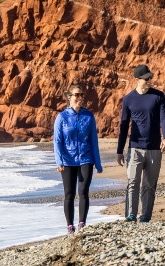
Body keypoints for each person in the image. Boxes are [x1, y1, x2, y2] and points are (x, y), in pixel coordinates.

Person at [116, 64, 165, 223]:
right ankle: (131, 216)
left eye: (150, 77)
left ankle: (145, 217)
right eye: (146, 78)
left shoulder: (158, 96)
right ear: (138, 79)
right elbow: (124, 125)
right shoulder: (128, 99)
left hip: (154, 148)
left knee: (149, 185)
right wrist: (120, 150)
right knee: (133, 182)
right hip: (134, 148)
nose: (149, 80)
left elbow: (164, 118)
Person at [53, 84, 103, 235]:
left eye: (82, 95)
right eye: (77, 95)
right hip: (67, 161)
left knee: (83, 191)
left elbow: (93, 140)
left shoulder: (89, 116)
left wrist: (98, 163)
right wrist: (59, 161)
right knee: (69, 193)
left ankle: (82, 224)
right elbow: (57, 141)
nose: (80, 98)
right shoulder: (61, 117)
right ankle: (70, 226)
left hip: (85, 158)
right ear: (69, 97)